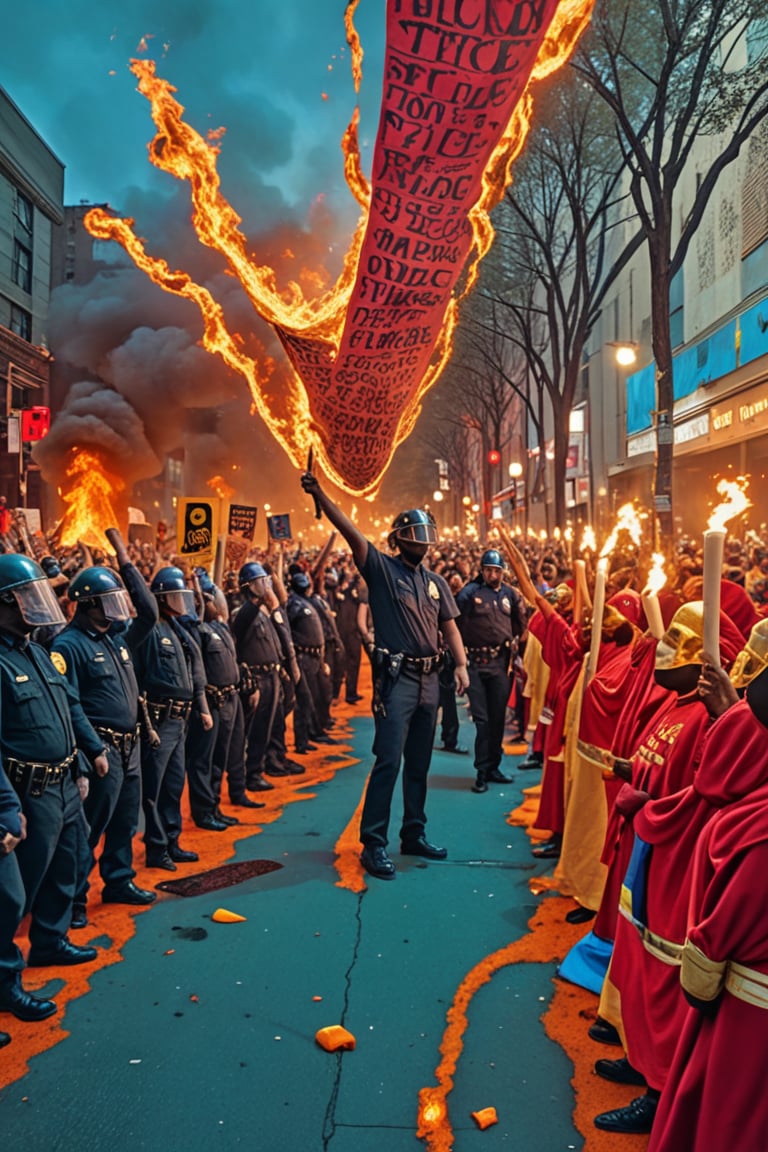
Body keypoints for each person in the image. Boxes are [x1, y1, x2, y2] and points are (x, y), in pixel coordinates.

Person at [300, 472, 469, 881]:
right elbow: (351, 532)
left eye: (427, 533)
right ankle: (374, 842)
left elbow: (449, 627)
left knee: (419, 763)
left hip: (431, 681)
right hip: (398, 682)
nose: (424, 540)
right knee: (389, 761)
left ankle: (414, 832)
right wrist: (320, 493)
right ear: (398, 538)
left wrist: (461, 664)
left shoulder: (436, 582)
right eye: (415, 533)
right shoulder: (379, 568)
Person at [0, 554, 106, 996]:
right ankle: (7, 981)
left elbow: (66, 712)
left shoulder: (40, 653)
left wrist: (82, 761)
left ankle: (50, 941)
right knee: (13, 895)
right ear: (5, 603)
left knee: (71, 865)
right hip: (31, 791)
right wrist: (7, 808)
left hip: (63, 783)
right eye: (27, 596)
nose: (38, 604)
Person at [51, 528, 158, 924]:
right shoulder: (68, 645)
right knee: (88, 829)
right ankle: (75, 900)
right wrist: (92, 750)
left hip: (129, 746)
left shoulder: (115, 637)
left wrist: (124, 559)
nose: (116, 608)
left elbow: (149, 612)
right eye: (107, 601)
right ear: (87, 604)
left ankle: (118, 880)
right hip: (103, 750)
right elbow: (70, 704)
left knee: (125, 822)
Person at [134, 566, 213, 870]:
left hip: (179, 721)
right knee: (154, 790)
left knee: (173, 785)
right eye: (178, 595)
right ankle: (156, 849)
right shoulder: (149, 629)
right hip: (159, 721)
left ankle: (171, 840)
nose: (183, 601)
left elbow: (193, 669)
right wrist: (148, 724)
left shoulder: (177, 628)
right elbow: (140, 680)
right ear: (162, 598)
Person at [456, 548, 524, 792]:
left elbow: (519, 625)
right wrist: (458, 662)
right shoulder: (469, 594)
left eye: (497, 570)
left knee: (497, 719)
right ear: (481, 570)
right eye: (488, 570)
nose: (493, 574)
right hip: (475, 663)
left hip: (500, 663)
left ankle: (494, 766)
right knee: (482, 720)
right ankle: (482, 771)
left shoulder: (510, 595)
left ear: (502, 572)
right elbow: (455, 626)